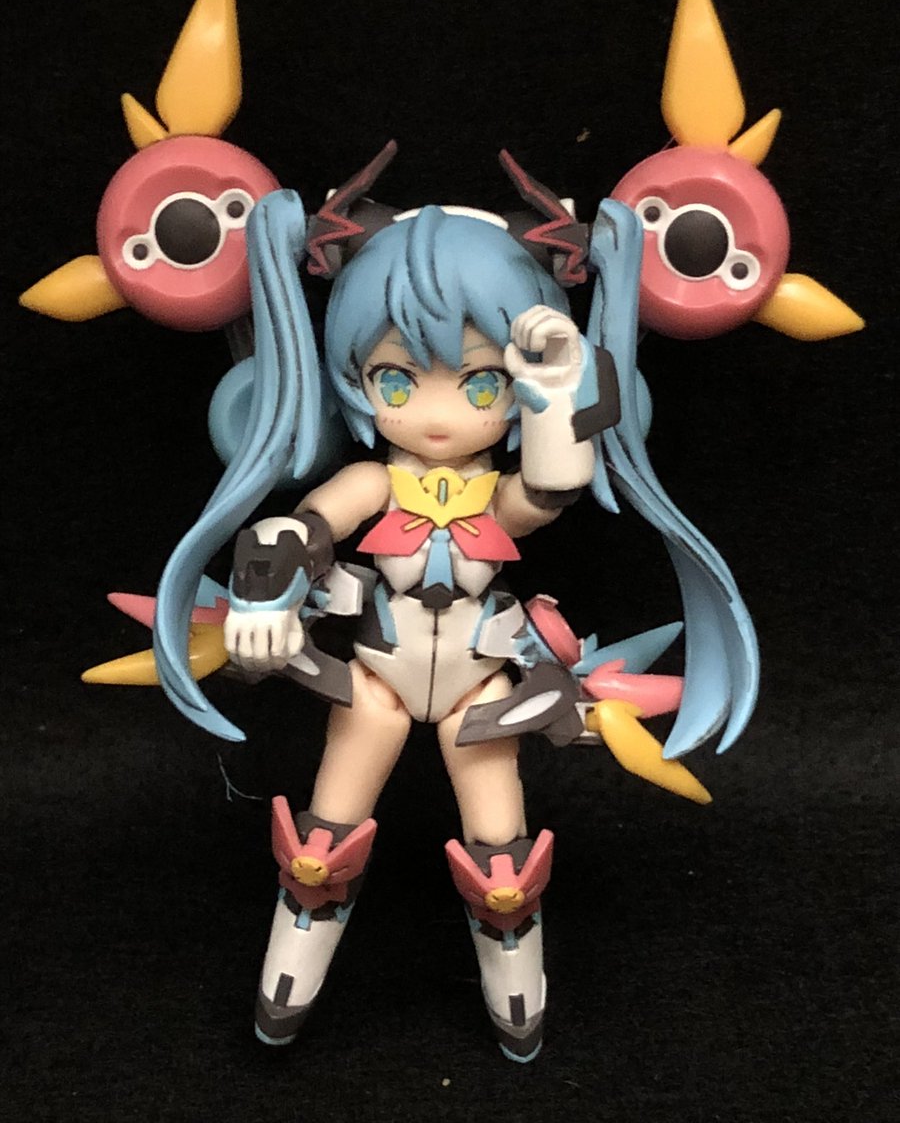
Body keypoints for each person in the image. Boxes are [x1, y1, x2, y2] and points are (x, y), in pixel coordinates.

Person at [152, 147, 758, 1062]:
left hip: (482, 684)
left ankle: (517, 991)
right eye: (398, 381)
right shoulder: (374, 479)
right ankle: (288, 981)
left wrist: (553, 388)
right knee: (320, 847)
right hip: (376, 677)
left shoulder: (496, 491)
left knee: (501, 860)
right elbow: (299, 527)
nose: (437, 416)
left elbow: (552, 487)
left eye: (479, 385)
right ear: (355, 378)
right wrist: (262, 592)